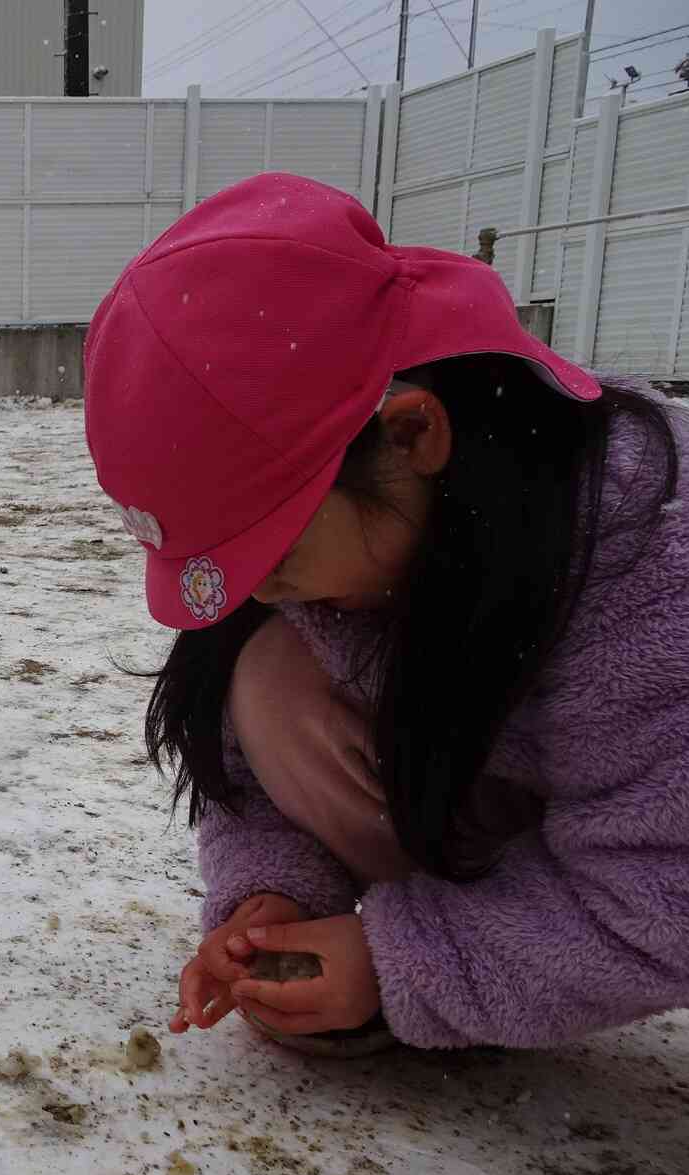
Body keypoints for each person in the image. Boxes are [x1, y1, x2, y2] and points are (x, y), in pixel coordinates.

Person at [81, 172, 688, 1059]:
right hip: (499, 815)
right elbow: (245, 770)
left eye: (275, 555)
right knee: (266, 672)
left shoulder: (648, 575)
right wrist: (275, 896)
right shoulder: (389, 541)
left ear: (410, 436)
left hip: (622, 863)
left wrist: (406, 962)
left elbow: (666, 889)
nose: (256, 591)